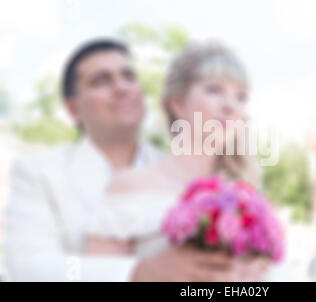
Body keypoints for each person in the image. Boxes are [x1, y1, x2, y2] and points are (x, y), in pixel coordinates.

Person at [4, 39, 239, 282]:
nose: (121, 87)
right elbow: (29, 268)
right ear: (74, 110)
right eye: (101, 81)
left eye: (129, 76)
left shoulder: (186, 175)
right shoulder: (38, 173)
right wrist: (135, 273)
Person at [85, 41, 275, 282]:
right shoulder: (128, 187)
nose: (230, 106)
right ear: (178, 104)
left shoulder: (247, 199)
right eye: (214, 90)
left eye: (241, 97)